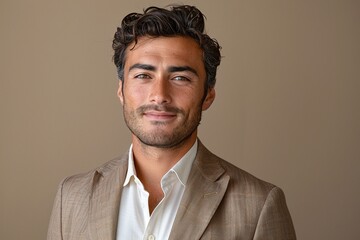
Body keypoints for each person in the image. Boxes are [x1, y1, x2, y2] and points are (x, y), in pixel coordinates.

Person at [47, 5, 296, 240]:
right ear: (121, 91)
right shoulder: (71, 197)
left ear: (208, 94)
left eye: (180, 78)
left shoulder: (259, 205)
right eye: (143, 75)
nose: (160, 95)